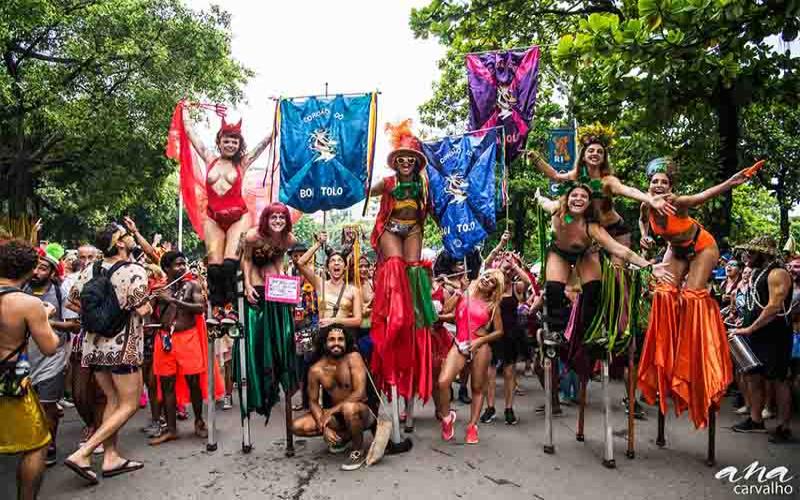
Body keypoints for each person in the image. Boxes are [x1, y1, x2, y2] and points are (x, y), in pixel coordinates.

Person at [638, 158, 750, 428]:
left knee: (692, 296)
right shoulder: (646, 204)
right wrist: (644, 235)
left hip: (701, 247)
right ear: (649, 185)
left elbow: (703, 196)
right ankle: (669, 347)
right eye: (655, 181)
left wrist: (730, 182)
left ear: (670, 186)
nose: (660, 185)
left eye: (664, 182)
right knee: (664, 292)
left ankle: (696, 346)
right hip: (676, 250)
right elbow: (644, 221)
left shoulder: (678, 203)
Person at [64, 223, 151, 484]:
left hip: (95, 345)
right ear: (121, 243)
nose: (131, 238)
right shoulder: (134, 270)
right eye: (127, 235)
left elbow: (72, 300)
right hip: (123, 347)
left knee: (112, 401)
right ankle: (85, 452)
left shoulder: (91, 268)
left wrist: (99, 314)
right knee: (129, 404)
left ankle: (111, 457)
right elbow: (144, 309)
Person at [183, 105, 273, 324]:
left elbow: (266, 141)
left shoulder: (242, 163)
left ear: (239, 145)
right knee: (214, 265)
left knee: (229, 264)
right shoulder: (209, 158)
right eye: (227, 141)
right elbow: (189, 132)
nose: (231, 144)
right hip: (213, 216)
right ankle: (216, 308)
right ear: (220, 141)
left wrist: (280, 110)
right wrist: (184, 108)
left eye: (235, 142)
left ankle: (231, 308)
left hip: (238, 217)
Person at [529, 126, 674, 261]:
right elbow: (555, 175)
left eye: (600, 152)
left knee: (618, 275)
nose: (595, 154)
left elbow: (628, 190)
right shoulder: (576, 176)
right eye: (591, 151)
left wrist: (649, 199)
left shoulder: (608, 181)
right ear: (583, 156)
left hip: (616, 231)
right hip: (592, 232)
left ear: (604, 158)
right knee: (557, 209)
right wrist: (536, 159)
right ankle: (539, 199)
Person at [369, 119, 437, 402]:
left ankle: (412, 310)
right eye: (403, 158)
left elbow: (437, 207)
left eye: (411, 158)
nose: (407, 162)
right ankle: (393, 311)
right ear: (396, 162)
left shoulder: (423, 184)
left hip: (413, 230)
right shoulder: (388, 182)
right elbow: (365, 192)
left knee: (413, 272)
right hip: (390, 228)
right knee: (394, 267)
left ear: (416, 163)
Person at [0, 239, 60, 500]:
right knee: (38, 444)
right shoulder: (27, 303)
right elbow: (50, 347)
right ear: (29, 270)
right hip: (10, 381)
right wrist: (45, 316)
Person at [730, 236, 793, 443]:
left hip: (775, 334)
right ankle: (755, 420)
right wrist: (745, 323)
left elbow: (774, 307)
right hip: (756, 333)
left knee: (778, 379)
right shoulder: (757, 272)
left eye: (752, 252)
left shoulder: (778, 273)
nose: (746, 256)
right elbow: (754, 303)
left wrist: (750, 328)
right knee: (752, 376)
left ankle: (784, 426)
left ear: (763, 253)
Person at [148, 251, 214, 445]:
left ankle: (199, 421)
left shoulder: (192, 285)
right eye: (177, 265)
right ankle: (171, 429)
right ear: (166, 268)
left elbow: (200, 308)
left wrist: (173, 301)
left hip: (188, 338)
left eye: (183, 264)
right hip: (165, 339)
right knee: (167, 384)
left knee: (193, 382)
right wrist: (152, 300)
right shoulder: (160, 288)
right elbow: (150, 314)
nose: (182, 267)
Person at [240, 203, 298, 421]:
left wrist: (281, 275)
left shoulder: (288, 239)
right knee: (257, 287)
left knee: (275, 283)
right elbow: (246, 259)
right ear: (266, 218)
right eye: (273, 217)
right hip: (252, 266)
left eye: (281, 217)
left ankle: (280, 369)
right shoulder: (253, 236)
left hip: (270, 266)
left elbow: (279, 257)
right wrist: (246, 285)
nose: (277, 221)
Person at [291, 326, 376, 471]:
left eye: (340, 339)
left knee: (349, 408)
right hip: (337, 417)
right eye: (331, 339)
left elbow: (360, 393)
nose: (336, 343)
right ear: (324, 343)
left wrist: (330, 412)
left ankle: (358, 451)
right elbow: (312, 401)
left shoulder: (353, 358)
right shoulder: (316, 369)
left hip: (362, 412)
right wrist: (323, 426)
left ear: (346, 341)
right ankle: (346, 436)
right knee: (296, 426)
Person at [435, 269, 505, 444]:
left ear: (494, 290)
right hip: (459, 342)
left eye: (492, 282)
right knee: (443, 382)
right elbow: (448, 311)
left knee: (477, 387)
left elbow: (499, 332)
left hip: (480, 346)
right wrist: (459, 291)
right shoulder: (466, 292)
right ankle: (446, 417)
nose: (487, 280)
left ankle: (472, 426)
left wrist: (479, 342)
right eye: (486, 276)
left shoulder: (492, 306)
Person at [23, 246, 75, 466]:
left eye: (43, 268)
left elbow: (74, 325)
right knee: (29, 405)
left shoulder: (60, 292)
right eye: (35, 267)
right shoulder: (20, 290)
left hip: (52, 358)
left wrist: (44, 321)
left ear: (52, 272)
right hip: (24, 359)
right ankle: (33, 442)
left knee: (47, 405)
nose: (37, 272)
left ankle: (49, 444)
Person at [481, 251, 532, 425]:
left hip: (511, 334)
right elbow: (486, 265)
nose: (509, 271)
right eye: (506, 267)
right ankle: (490, 408)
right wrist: (500, 251)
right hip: (493, 333)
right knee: (491, 372)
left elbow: (527, 281)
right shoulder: (492, 285)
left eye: (511, 269)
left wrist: (515, 265)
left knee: (509, 372)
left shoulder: (516, 287)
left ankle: (509, 409)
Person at [296, 233, 363, 333]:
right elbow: (300, 263)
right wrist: (319, 243)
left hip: (343, 336)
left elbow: (358, 321)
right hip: (323, 336)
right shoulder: (320, 284)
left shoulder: (353, 290)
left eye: (340, 260)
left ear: (345, 267)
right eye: (332, 260)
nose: (336, 263)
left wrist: (334, 321)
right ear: (327, 268)